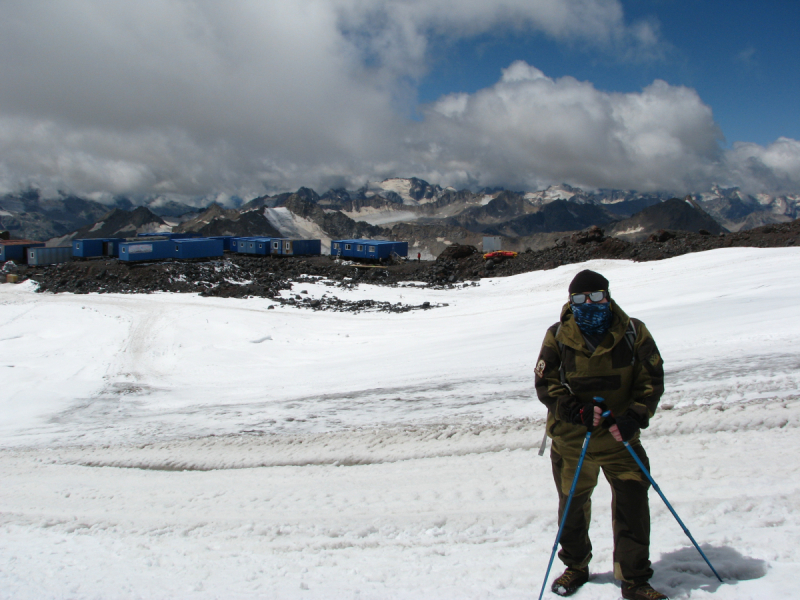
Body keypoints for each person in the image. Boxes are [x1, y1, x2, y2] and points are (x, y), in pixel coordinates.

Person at [534, 269, 668, 600]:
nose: (588, 304)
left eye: (595, 297)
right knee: (572, 509)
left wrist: (634, 416)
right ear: (570, 301)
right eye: (579, 299)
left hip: (620, 441)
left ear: (607, 296)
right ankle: (575, 566)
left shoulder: (633, 332)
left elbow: (651, 380)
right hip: (572, 443)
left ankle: (635, 578)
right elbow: (545, 384)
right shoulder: (558, 336)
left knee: (633, 507)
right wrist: (573, 411)